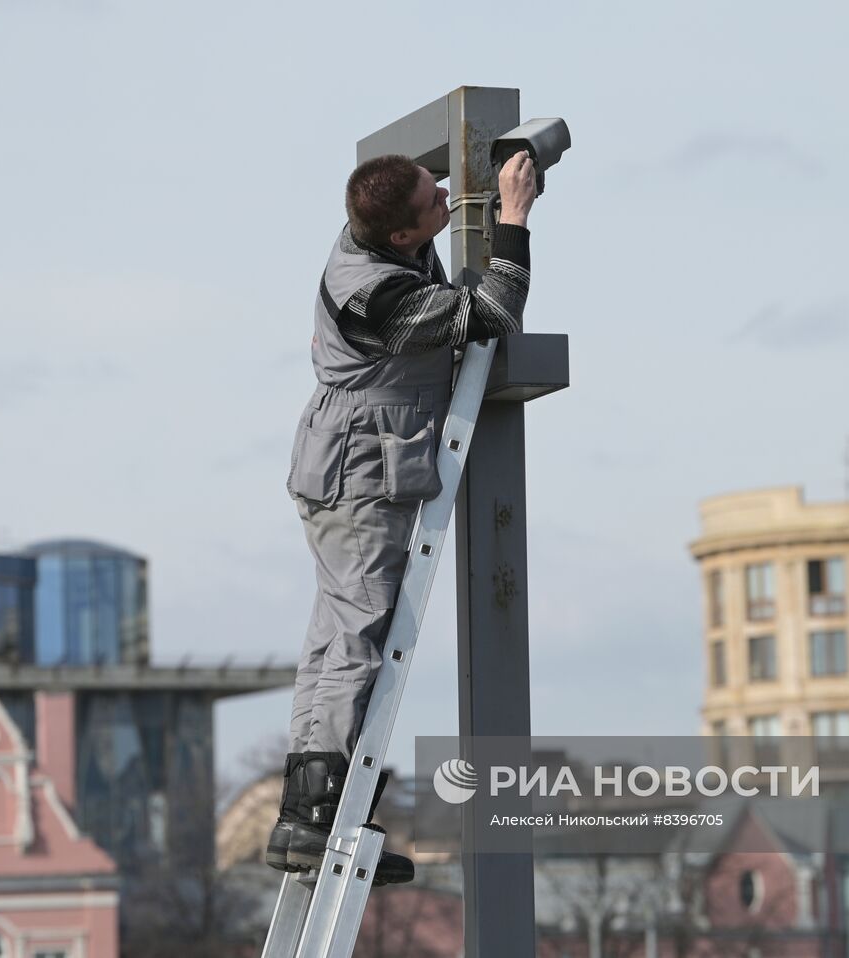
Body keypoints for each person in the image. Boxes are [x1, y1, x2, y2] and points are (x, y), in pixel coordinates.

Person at [267, 150, 539, 884]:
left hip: (339, 457)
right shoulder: (380, 295)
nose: (446, 194)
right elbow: (490, 314)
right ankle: (320, 819)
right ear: (398, 236)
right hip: (359, 470)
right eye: (433, 198)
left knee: (334, 636)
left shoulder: (374, 230)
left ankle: (305, 820)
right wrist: (512, 218)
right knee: (358, 635)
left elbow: (401, 198)